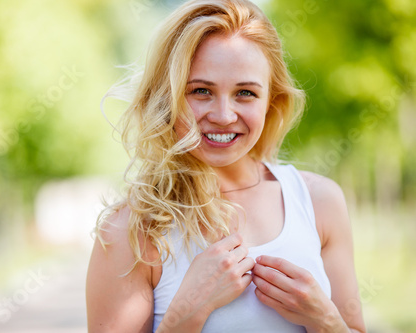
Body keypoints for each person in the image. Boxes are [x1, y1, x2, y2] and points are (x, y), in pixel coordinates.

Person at [86, 0, 366, 332]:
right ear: (167, 97)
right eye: (201, 91)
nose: (222, 116)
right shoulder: (130, 231)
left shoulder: (319, 202)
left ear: (271, 101)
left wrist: (326, 320)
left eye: (245, 93)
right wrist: (188, 313)